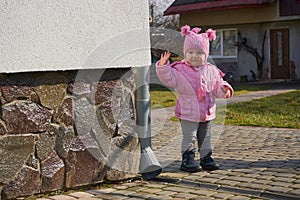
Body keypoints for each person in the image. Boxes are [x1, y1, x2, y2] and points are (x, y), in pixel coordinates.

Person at [156, 25, 234, 172]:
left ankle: (206, 159)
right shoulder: (179, 69)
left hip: (206, 111)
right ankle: (188, 160)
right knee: (189, 137)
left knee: (205, 137)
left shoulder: (211, 70)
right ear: (185, 53)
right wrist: (163, 66)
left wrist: (224, 89)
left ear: (206, 54)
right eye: (190, 52)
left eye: (199, 52)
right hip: (188, 111)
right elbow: (169, 78)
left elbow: (218, 86)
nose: (194, 55)